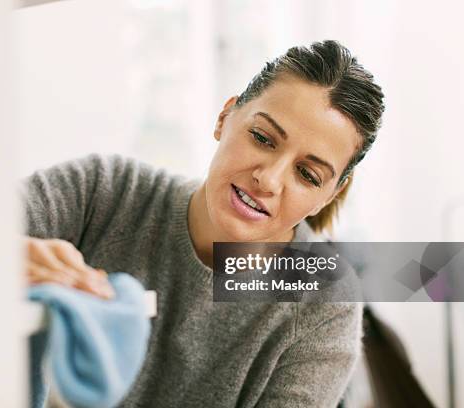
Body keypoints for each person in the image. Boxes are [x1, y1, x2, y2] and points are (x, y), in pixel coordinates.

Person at [21, 40, 385, 407]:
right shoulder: (102, 190)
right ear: (225, 117)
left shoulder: (324, 300)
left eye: (307, 174)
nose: (269, 180)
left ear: (328, 196)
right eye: (262, 138)